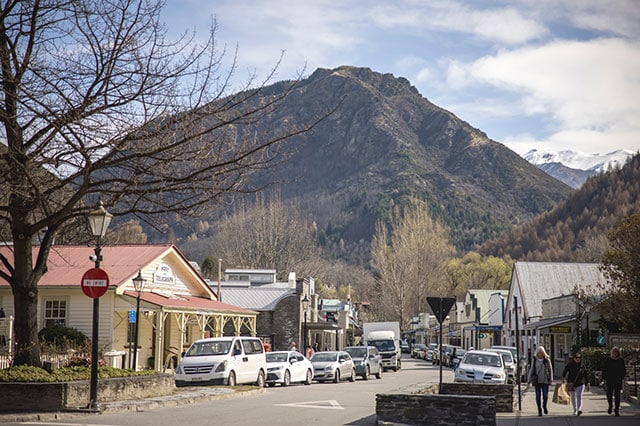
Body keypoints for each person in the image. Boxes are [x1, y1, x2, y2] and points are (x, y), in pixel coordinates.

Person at [528, 346, 553, 416]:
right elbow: (532, 369)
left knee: (545, 395)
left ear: (544, 353)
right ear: (537, 353)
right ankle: (539, 409)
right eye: (539, 353)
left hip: (545, 380)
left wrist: (551, 379)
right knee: (538, 396)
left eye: (542, 353)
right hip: (537, 380)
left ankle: (544, 406)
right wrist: (529, 379)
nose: (540, 354)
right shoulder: (534, 360)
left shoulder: (547, 360)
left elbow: (550, 370)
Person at [603, 347, 626, 416]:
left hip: (618, 380)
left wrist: (622, 377)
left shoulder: (621, 360)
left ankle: (616, 409)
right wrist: (604, 378)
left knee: (617, 395)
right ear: (612, 353)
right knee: (609, 394)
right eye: (614, 352)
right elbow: (605, 369)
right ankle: (610, 405)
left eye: (617, 352)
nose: (615, 353)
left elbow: (623, 370)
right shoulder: (608, 360)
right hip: (609, 380)